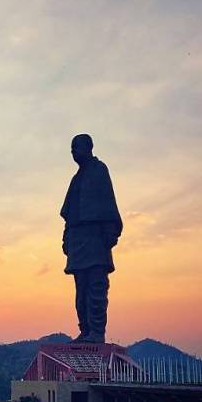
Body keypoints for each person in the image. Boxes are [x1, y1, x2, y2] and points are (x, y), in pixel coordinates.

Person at [60, 134, 122, 343]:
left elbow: (107, 203)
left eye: (76, 147)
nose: (73, 152)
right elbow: (69, 214)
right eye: (71, 148)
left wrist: (109, 232)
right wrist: (66, 238)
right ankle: (85, 330)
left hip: (96, 237)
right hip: (78, 240)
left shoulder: (99, 170)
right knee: (81, 291)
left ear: (88, 147)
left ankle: (96, 332)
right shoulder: (76, 179)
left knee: (96, 287)